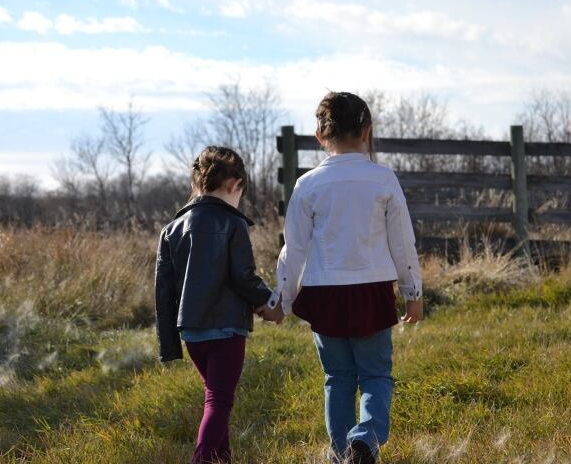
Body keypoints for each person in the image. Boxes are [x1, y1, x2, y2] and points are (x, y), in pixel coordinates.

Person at [273, 92, 424, 464]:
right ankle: (366, 439)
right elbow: (402, 242)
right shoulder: (383, 179)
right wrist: (413, 292)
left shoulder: (308, 185)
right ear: (367, 131)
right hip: (371, 291)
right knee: (375, 374)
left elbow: (294, 249)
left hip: (324, 295)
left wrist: (283, 299)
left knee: (337, 378)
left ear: (321, 135)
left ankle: (342, 453)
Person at [155, 145, 284, 464]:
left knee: (215, 396)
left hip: (192, 334)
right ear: (234, 185)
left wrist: (170, 344)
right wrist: (269, 303)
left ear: (196, 184)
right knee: (219, 400)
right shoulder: (232, 223)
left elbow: (163, 292)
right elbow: (243, 276)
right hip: (226, 330)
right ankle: (203, 459)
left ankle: (220, 457)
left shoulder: (171, 229)